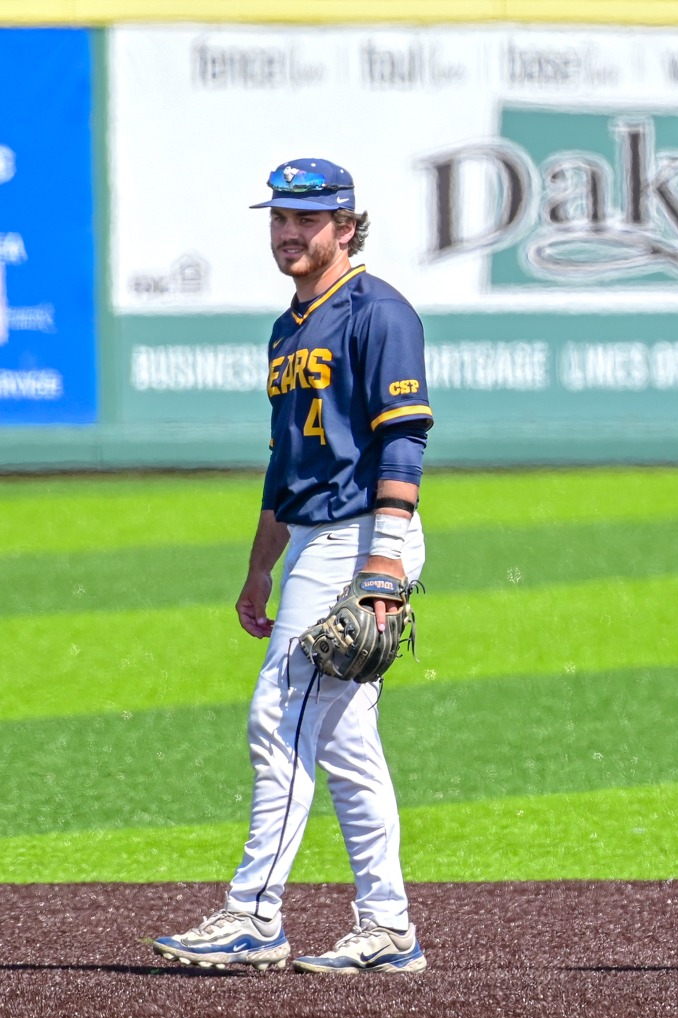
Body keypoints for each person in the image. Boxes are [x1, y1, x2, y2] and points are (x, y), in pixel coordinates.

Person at [152, 158, 434, 974]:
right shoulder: (289, 326)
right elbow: (286, 465)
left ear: (346, 227)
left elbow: (403, 440)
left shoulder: (379, 313)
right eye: (278, 218)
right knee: (345, 744)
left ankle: (253, 913)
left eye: (306, 220)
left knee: (278, 716)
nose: (287, 233)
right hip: (314, 538)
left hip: (360, 537)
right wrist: (258, 570)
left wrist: (382, 564)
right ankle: (388, 929)